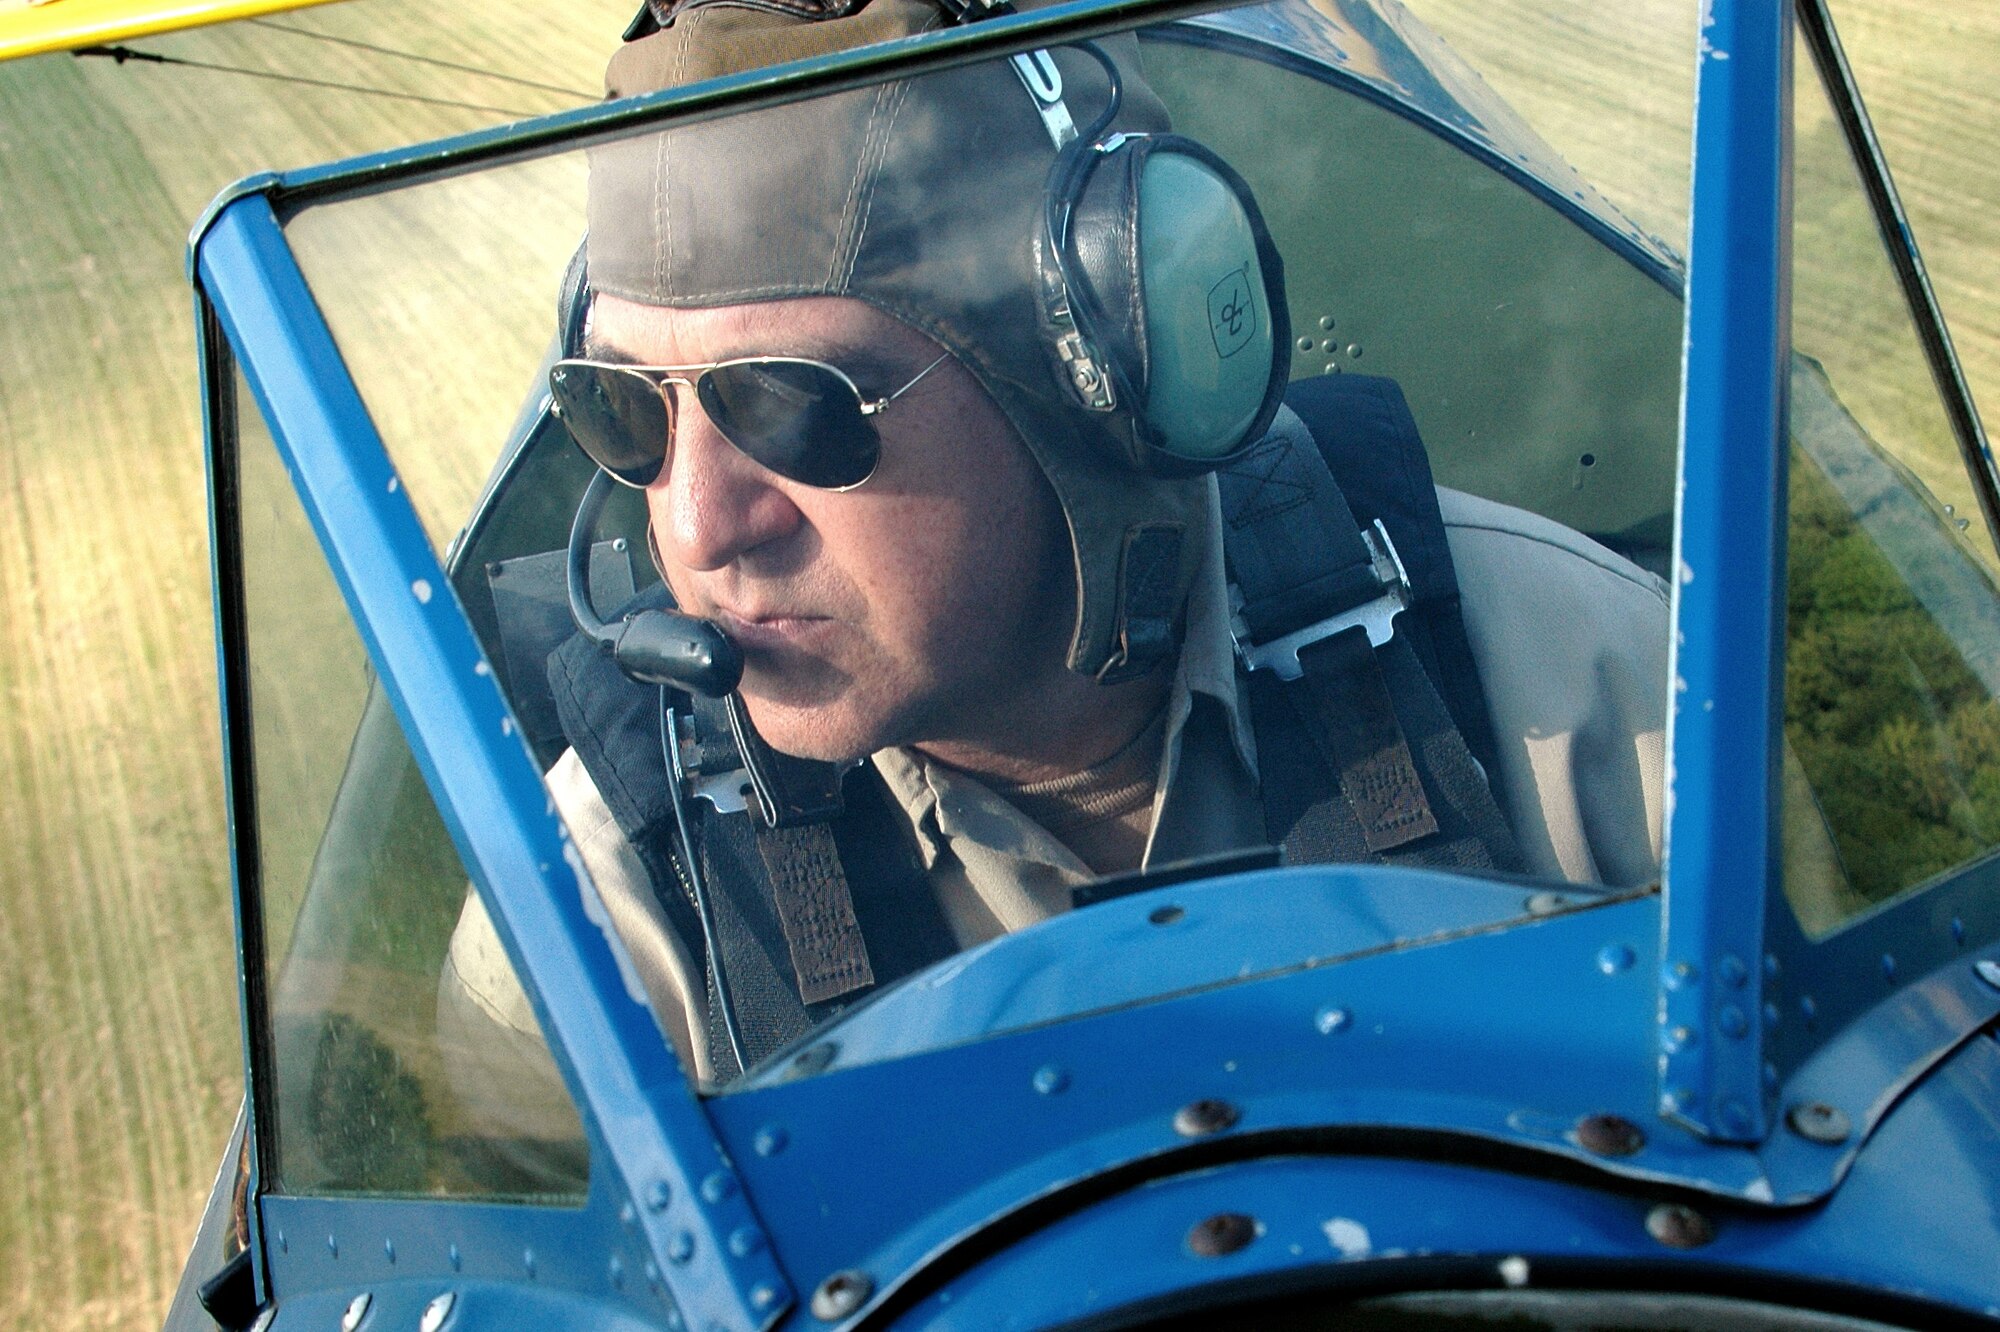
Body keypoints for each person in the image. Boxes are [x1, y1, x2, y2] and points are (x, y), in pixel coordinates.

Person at [441, 0, 1670, 1091]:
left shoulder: (1584, 690)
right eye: (625, 409)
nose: (701, 528)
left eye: (797, 407)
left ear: (1102, 365)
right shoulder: (604, 918)